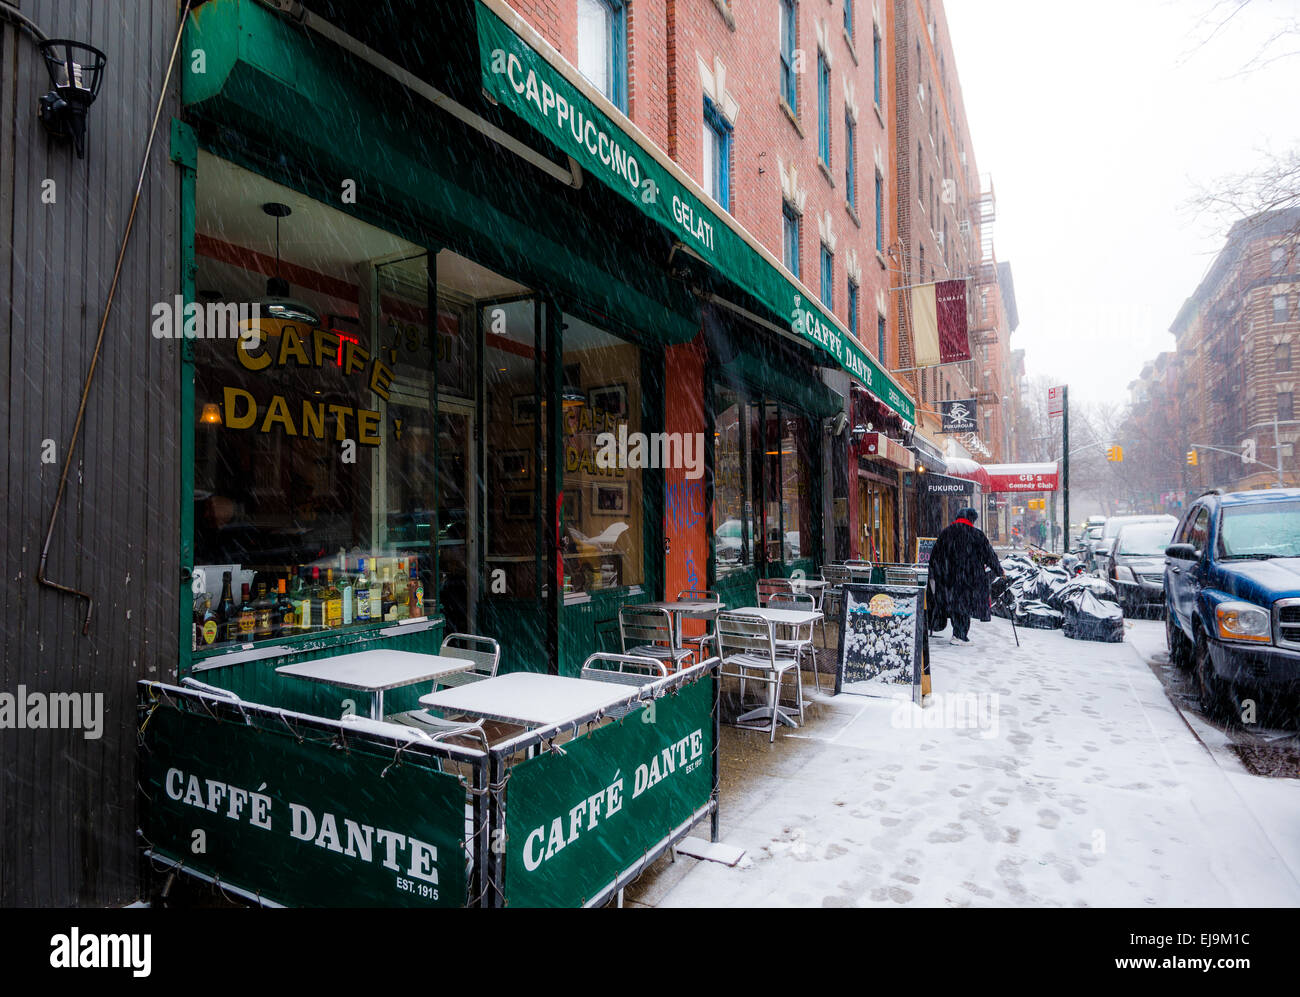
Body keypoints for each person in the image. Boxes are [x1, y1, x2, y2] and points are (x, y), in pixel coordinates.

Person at [927, 506, 1004, 645]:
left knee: (955, 605)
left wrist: (936, 574)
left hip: (949, 579)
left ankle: (958, 633)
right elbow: (989, 555)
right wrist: (999, 571)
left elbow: (934, 557)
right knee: (964, 607)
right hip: (970, 579)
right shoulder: (976, 535)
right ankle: (960, 635)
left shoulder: (946, 533)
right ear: (972, 519)